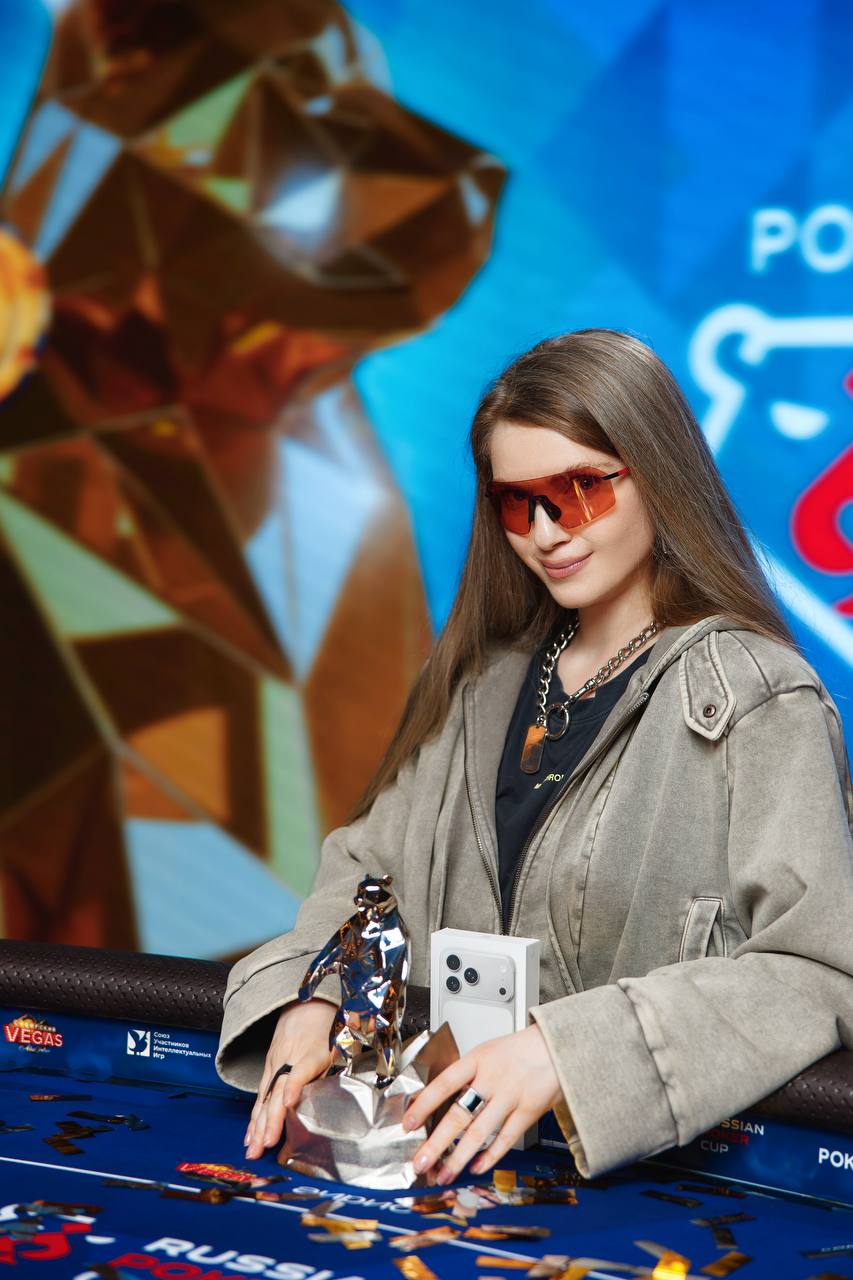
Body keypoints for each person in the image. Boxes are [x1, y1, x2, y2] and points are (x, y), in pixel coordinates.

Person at [216, 328, 853, 1185]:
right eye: (517, 503)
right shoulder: (479, 685)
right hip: (444, 1169)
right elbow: (367, 875)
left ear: (657, 473)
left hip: (653, 1193)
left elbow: (817, 968)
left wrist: (569, 1052)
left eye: (579, 490)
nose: (547, 531)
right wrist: (316, 990)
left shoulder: (753, 696)